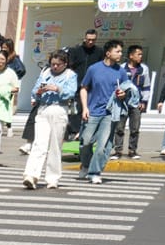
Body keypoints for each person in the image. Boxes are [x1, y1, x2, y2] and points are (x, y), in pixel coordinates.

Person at [77, 38, 129, 182]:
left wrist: (123, 94)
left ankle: (95, 172)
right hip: (93, 111)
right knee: (85, 141)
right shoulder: (94, 69)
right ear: (108, 53)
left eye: (121, 51)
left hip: (110, 113)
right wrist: (85, 108)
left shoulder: (121, 72)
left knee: (103, 145)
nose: (120, 54)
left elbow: (127, 91)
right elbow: (84, 88)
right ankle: (85, 166)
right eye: (117, 51)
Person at [23, 50, 76, 189]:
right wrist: (38, 92)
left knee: (55, 145)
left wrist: (58, 89)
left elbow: (71, 92)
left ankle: (53, 177)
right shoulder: (45, 73)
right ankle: (31, 175)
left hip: (59, 109)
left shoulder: (70, 75)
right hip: (44, 108)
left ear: (65, 64)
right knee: (39, 143)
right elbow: (35, 89)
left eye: (58, 64)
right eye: (53, 64)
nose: (55, 67)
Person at [114, 44, 153, 156]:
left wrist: (144, 101)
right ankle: (118, 150)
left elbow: (146, 86)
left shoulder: (144, 69)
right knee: (119, 128)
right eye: (138, 54)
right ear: (131, 55)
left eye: (141, 54)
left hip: (136, 104)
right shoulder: (121, 68)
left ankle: (132, 150)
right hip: (122, 103)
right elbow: (117, 85)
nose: (141, 56)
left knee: (135, 128)